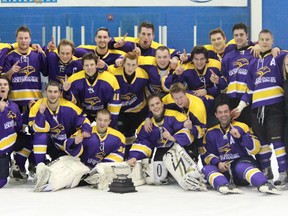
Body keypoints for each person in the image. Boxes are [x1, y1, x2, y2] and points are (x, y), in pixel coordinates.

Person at [201, 94, 278, 194]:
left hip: (242, 166)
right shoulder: (210, 132)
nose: (223, 115)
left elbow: (255, 148)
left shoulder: (242, 126)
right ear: (216, 115)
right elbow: (206, 155)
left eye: (225, 111)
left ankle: (264, 184)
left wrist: (241, 137)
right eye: (220, 112)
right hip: (225, 171)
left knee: (240, 166)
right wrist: (218, 163)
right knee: (205, 169)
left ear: (230, 112)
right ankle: (224, 185)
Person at [246, 29, 288, 185]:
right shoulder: (253, 62)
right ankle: (266, 170)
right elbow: (250, 89)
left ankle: (283, 172)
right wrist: (241, 105)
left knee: (277, 141)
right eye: (262, 39)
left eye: (267, 39)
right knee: (262, 141)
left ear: (272, 40)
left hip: (275, 106)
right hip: (257, 108)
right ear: (258, 41)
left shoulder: (278, 56)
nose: (264, 42)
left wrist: (279, 49)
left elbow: (286, 56)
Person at [28, 81, 91, 165]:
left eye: (55, 92)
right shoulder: (38, 105)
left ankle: (87, 166)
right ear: (45, 92)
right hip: (51, 144)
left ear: (60, 93)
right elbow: (34, 128)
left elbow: (84, 119)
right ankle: (40, 167)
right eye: (50, 91)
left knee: (88, 138)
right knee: (40, 136)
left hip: (68, 144)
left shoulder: (68, 106)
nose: (52, 95)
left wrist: (85, 130)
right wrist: (40, 114)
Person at [211, 23, 255, 126]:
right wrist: (218, 81)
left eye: (241, 35)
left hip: (248, 101)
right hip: (231, 101)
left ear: (246, 35)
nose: (238, 38)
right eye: (236, 35)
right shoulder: (228, 57)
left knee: (248, 132)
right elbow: (225, 81)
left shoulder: (254, 53)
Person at [63, 52, 121, 127]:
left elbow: (114, 105)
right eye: (86, 65)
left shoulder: (110, 79)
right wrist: (66, 92)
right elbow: (72, 105)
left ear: (96, 65)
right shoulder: (74, 79)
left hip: (104, 115)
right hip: (84, 114)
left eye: (92, 65)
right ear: (83, 66)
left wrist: (111, 125)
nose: (89, 67)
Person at [163, 45, 221, 118]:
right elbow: (169, 86)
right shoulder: (186, 67)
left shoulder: (216, 65)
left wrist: (208, 91)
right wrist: (176, 74)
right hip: (193, 98)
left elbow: (223, 87)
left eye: (202, 59)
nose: (199, 62)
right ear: (192, 60)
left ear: (206, 59)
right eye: (196, 59)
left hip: (211, 100)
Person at [108, 52, 149, 156]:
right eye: (128, 64)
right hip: (121, 111)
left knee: (138, 135)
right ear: (123, 63)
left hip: (138, 111)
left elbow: (149, 92)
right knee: (120, 136)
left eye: (133, 65)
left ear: (137, 65)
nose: (130, 68)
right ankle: (121, 157)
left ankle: (135, 157)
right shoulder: (113, 71)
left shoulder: (144, 75)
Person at [3, 26, 47, 108]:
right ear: (16, 39)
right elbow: (4, 80)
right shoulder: (9, 56)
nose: (23, 41)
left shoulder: (38, 54)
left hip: (35, 99)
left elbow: (46, 73)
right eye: (21, 38)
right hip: (14, 101)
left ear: (30, 39)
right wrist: (10, 72)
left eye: (26, 38)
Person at [0, 75, 23, 188]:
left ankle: (18, 167)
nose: (2, 87)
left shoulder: (14, 106)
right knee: (2, 182)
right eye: (0, 85)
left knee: (29, 139)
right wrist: (2, 112)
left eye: (5, 84)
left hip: (11, 142)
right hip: (1, 148)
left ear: (9, 88)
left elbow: (18, 126)